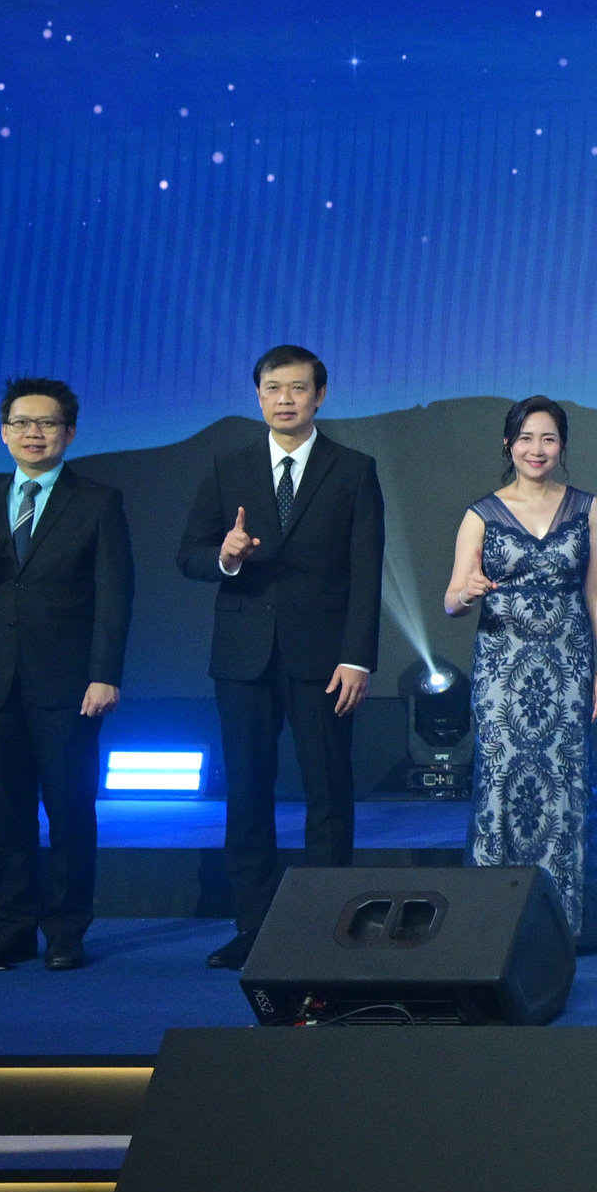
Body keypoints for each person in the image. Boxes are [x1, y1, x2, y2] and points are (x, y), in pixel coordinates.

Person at [177, 344, 384, 971]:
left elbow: (366, 570)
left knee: (328, 791)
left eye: (297, 388)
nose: (285, 399)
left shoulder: (353, 469)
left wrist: (357, 657)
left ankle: (328, 929)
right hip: (243, 658)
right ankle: (254, 927)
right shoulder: (229, 466)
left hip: (325, 660)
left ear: (320, 395)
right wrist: (226, 556)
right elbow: (189, 554)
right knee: (246, 791)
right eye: (273, 388)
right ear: (258, 395)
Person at [0, 377, 130, 973]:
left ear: (69, 433)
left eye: (47, 423)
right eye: (22, 423)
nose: (34, 433)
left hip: (69, 684)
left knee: (70, 811)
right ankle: (12, 929)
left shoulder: (97, 501)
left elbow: (115, 595)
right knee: (6, 814)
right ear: (3, 433)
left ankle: (66, 930)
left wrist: (104, 674)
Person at [445, 396, 597, 955]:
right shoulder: (481, 514)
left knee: (565, 786)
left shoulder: (586, 507)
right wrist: (466, 594)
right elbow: (452, 599)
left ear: (562, 446)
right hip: (502, 672)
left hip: (568, 664)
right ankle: (492, 923)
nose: (536, 450)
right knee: (500, 785)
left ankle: (563, 922)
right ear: (507, 444)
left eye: (548, 439)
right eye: (525, 438)